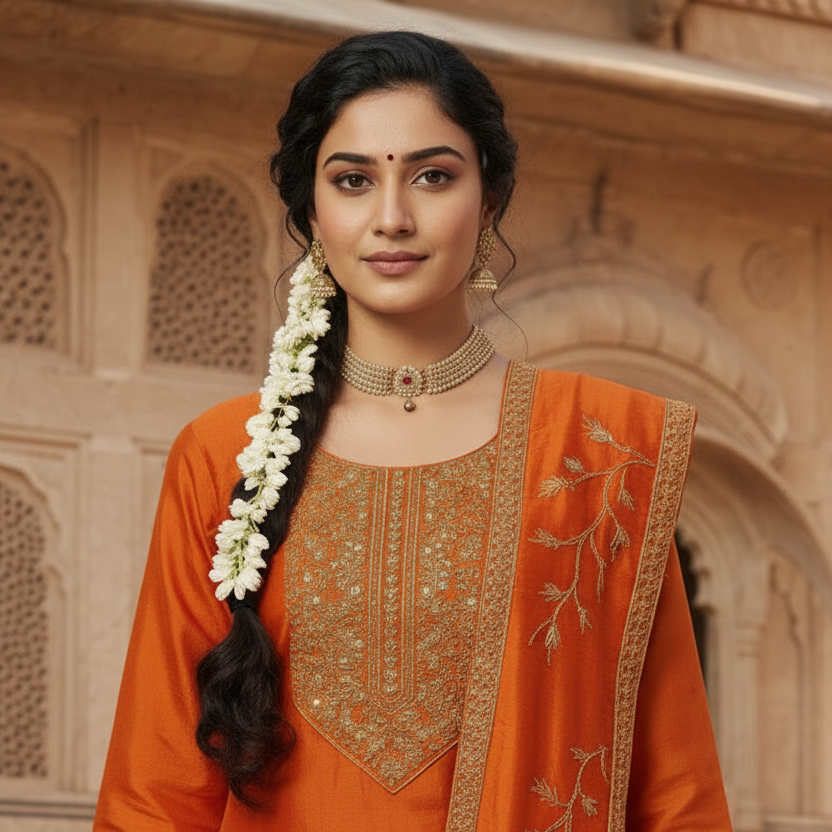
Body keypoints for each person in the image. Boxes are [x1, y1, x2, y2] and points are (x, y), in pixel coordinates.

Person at [93, 31, 733, 832]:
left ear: (489, 198)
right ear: (311, 211)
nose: (392, 218)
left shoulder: (601, 452)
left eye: (433, 176)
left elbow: (676, 794)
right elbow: (153, 793)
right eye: (353, 180)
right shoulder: (222, 453)